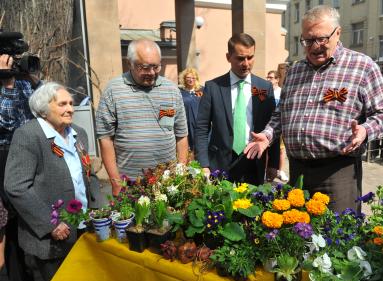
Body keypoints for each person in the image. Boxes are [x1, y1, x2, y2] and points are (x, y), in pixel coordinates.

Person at [244, 5, 383, 213]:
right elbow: (281, 114)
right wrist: (268, 135)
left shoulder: (362, 66)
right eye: (307, 40)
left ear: (338, 33)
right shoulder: (295, 71)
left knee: (339, 238)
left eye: (321, 39)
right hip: (297, 170)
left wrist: (365, 130)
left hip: (337, 173)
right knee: (297, 239)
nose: (314, 46)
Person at [4, 82, 96, 281]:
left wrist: (97, 210)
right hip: (49, 240)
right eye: (62, 104)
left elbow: (88, 174)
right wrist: (50, 223)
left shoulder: (78, 133)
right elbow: (16, 186)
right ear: (44, 110)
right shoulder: (28, 136)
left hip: (82, 229)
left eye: (71, 103)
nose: (70, 109)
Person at [96, 39, 189, 196]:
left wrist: (180, 174)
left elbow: (181, 135)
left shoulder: (171, 90)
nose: (152, 72)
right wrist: (115, 181)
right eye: (145, 67)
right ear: (129, 64)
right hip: (129, 183)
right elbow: (105, 139)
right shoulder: (113, 90)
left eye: (156, 66)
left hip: (167, 181)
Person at [195, 33, 279, 185]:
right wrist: (203, 164)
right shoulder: (213, 87)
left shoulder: (264, 87)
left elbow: (273, 124)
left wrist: (273, 163)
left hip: (254, 161)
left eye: (250, 57)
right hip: (219, 164)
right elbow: (201, 128)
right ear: (228, 57)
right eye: (240, 58)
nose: (246, 63)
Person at [0, 54, 35, 281]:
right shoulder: (10, 83)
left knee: (27, 219)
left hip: (27, 153)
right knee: (7, 226)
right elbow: (7, 121)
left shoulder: (23, 83)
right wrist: (7, 82)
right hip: (3, 157)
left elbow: (34, 114)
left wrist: (28, 78)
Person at [266, 70, 289, 182]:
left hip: (279, 125)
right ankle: (267, 170)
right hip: (268, 126)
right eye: (268, 77)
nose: (268, 79)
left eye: (271, 77)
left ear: (277, 79)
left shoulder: (281, 92)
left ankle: (281, 170)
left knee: (281, 149)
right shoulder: (265, 91)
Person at [178, 68, 204, 151]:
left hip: (200, 124)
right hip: (186, 123)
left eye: (193, 78)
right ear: (184, 79)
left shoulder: (202, 90)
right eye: (188, 77)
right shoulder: (179, 91)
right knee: (188, 148)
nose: (191, 80)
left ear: (196, 79)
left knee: (200, 147)